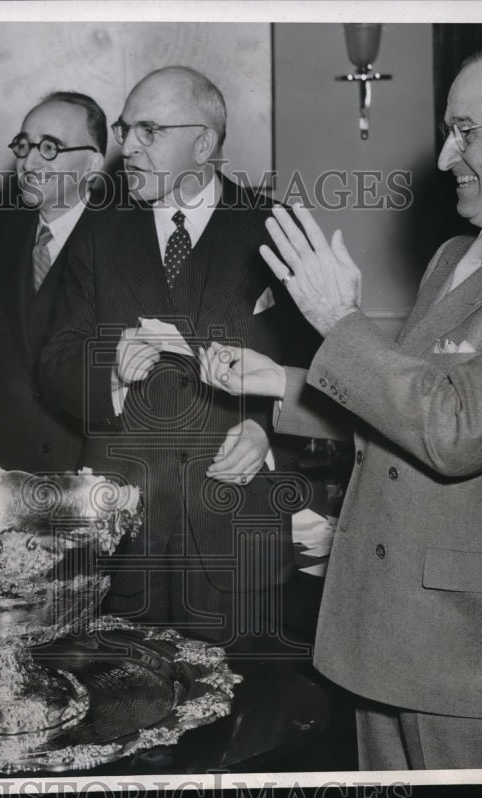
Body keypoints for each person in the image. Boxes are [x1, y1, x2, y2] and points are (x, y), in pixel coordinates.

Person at [199, 44, 482, 768]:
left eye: (466, 131)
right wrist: (283, 382)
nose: (443, 156)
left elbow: (456, 430)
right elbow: (409, 405)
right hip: (390, 632)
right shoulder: (454, 257)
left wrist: (342, 323)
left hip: (481, 657)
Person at [40, 66, 309, 649]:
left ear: (204, 143)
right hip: (125, 535)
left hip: (238, 528)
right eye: (124, 128)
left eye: (148, 131)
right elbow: (55, 358)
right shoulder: (97, 233)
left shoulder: (274, 227)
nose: (128, 146)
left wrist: (267, 434)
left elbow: (325, 376)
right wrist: (108, 369)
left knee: (247, 718)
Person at [0, 91, 107, 473]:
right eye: (24, 144)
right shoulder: (4, 236)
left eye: (50, 147)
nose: (29, 161)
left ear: (92, 164)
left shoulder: (122, 241)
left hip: (83, 470)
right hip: (2, 466)